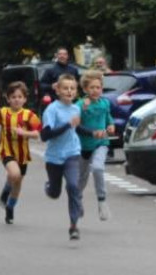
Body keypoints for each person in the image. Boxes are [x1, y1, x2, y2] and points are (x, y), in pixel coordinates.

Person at [0, 81, 41, 225]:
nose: (16, 99)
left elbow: (37, 134)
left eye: (20, 97)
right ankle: (6, 190)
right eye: (13, 97)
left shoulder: (29, 115)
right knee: (14, 174)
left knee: (18, 183)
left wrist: (24, 132)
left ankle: (10, 206)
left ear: (25, 99)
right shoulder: (2, 113)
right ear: (8, 99)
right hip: (6, 150)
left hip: (23, 154)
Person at [41, 73, 84, 240]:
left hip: (72, 153)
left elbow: (76, 129)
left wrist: (94, 133)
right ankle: (49, 187)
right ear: (57, 90)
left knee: (73, 186)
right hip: (54, 157)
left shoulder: (76, 108)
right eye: (65, 88)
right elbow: (45, 135)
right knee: (55, 193)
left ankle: (73, 226)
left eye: (72, 88)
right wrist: (67, 125)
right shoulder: (52, 110)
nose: (69, 91)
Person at [77, 71, 114, 221]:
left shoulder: (105, 103)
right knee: (82, 178)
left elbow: (108, 118)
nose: (95, 90)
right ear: (85, 89)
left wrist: (110, 126)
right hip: (84, 146)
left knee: (98, 167)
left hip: (101, 143)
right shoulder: (81, 105)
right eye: (91, 87)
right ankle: (77, 200)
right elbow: (76, 126)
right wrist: (92, 133)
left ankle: (102, 201)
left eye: (98, 87)